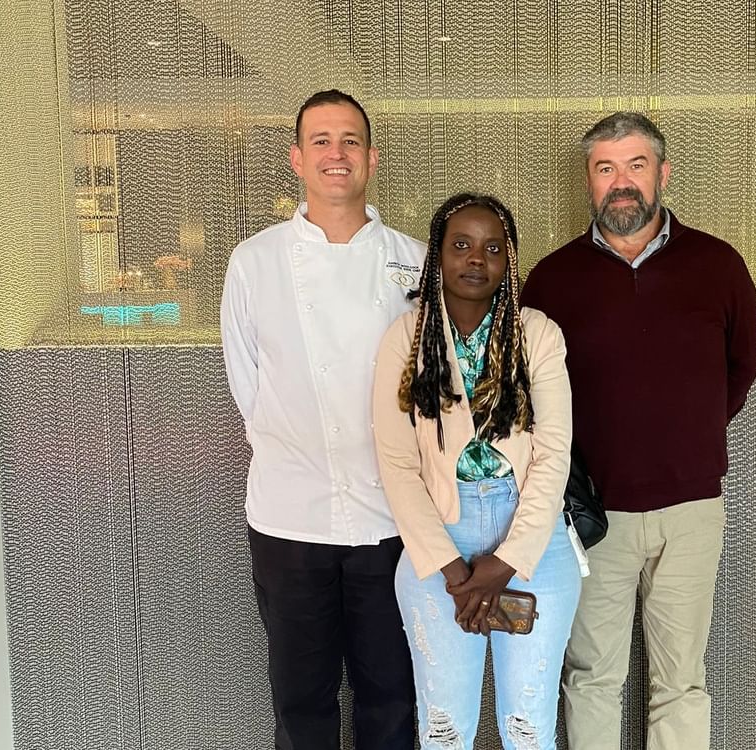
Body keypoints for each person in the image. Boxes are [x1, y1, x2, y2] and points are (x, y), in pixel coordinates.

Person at [521, 112, 756, 750]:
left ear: (662, 173)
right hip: (593, 515)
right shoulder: (550, 280)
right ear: (589, 182)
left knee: (681, 680)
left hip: (691, 508)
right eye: (605, 168)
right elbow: (530, 392)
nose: (620, 182)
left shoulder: (718, 264)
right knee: (591, 674)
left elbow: (741, 366)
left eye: (634, 165)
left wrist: (691, 432)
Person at [220, 89, 422, 750]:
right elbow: (249, 386)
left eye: (350, 141)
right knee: (301, 705)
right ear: (298, 160)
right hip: (290, 520)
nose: (337, 154)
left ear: (372, 158)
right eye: (322, 142)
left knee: (391, 698)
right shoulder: (255, 262)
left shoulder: (415, 262)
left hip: (393, 522)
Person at [372, 193, 581, 750]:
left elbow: (553, 453)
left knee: (529, 727)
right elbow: (397, 463)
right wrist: (452, 569)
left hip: (532, 537)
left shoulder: (537, 333)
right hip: (437, 539)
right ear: (437, 256)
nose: (475, 259)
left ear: (509, 260)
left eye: (492, 248)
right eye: (460, 245)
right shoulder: (408, 337)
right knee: (442, 728)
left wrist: (506, 561)